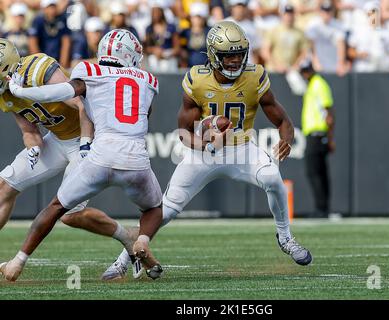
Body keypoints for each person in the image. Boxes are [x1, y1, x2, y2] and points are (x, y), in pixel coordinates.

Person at [107, 21, 313, 274]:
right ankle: (125, 257)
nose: (236, 61)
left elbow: (282, 119)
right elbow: (183, 133)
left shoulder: (255, 76)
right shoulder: (197, 79)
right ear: (214, 56)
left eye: (239, 54)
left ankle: (285, 237)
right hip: (203, 153)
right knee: (167, 209)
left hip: (241, 148)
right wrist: (204, 143)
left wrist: (286, 138)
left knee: (272, 177)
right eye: (229, 56)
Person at [0, 29, 163, 282]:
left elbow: (79, 105)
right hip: (56, 140)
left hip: (87, 137)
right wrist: (32, 147)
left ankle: (126, 236)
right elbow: (29, 130)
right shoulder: (6, 92)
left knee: (69, 214)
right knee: (4, 187)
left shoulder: (39, 67)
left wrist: (86, 143)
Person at [299, 60, 335, 219]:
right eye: (303, 71)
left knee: (314, 172)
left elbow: (329, 114)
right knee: (319, 172)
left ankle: (322, 208)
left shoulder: (318, 84)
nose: (305, 73)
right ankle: (323, 208)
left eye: (307, 70)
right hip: (315, 135)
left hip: (318, 134)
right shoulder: (313, 84)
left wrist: (330, 137)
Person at [28, 0, 72, 68]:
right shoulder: (38, 21)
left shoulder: (62, 20)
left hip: (58, 60)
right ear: (44, 8)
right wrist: (39, 64)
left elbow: (66, 42)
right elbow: (32, 42)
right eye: (49, 7)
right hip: (43, 61)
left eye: (53, 6)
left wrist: (62, 65)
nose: (52, 10)